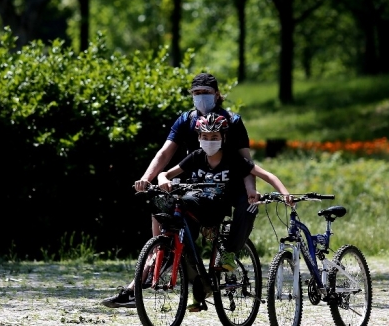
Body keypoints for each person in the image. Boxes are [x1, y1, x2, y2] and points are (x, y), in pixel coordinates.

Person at [101, 73, 261, 309]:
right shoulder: (186, 120)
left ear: (217, 95)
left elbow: (246, 163)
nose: (201, 97)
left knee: (246, 210)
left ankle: (228, 253)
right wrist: (148, 178)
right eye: (196, 93)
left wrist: (250, 191)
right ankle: (138, 286)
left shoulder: (233, 122)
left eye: (206, 92)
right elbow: (165, 153)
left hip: (228, 185)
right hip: (195, 187)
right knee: (166, 223)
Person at [155, 112, 292, 311]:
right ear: (199, 138)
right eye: (205, 137)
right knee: (180, 231)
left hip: (218, 208)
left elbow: (265, 174)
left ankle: (230, 252)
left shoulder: (233, 159)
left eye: (214, 137)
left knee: (251, 205)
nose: (209, 141)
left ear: (223, 138)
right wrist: (162, 179)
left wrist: (285, 193)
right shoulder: (196, 157)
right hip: (197, 206)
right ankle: (198, 287)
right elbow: (166, 173)